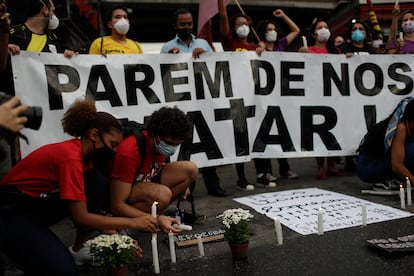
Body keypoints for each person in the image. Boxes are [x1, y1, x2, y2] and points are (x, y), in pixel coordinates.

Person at [0, 99, 164, 275]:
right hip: (9, 210)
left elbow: (91, 212)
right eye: (113, 144)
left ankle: (71, 248)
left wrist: (119, 238)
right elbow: (82, 218)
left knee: (96, 181)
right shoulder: (70, 158)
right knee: (64, 271)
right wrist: (134, 222)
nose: (115, 151)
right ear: (94, 135)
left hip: (34, 205)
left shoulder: (86, 161)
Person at [161, 8, 227, 197]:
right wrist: (168, 59)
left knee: (208, 143)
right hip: (182, 103)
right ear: (175, 25)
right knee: (187, 146)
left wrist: (206, 55)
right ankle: (189, 185)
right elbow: (162, 74)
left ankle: (213, 185)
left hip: (204, 101)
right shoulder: (167, 47)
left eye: (189, 24)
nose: (187, 27)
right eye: (183, 24)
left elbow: (217, 66)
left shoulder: (203, 43)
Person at [110, 106, 198, 231]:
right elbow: (116, 205)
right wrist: (157, 218)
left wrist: (185, 185)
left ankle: (149, 217)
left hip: (144, 182)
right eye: (169, 143)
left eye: (177, 144)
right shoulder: (129, 151)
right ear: (155, 136)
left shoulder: (160, 144)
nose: (172, 148)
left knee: (190, 170)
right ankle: (128, 222)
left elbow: (163, 167)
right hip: (121, 191)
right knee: (163, 194)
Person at [253, 10, 300, 183]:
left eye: (274, 28)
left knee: (280, 131)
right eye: (268, 29)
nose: (272, 31)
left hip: (280, 97)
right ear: (263, 32)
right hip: (262, 98)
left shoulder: (280, 44)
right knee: (264, 132)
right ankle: (264, 171)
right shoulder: (257, 47)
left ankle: (284, 167)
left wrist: (283, 16)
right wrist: (258, 51)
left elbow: (296, 31)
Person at [299, 20, 346, 180]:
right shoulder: (308, 50)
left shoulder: (336, 52)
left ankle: (331, 165)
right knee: (319, 131)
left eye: (326, 27)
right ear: (314, 34)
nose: (324, 30)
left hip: (334, 96)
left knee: (333, 130)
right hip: (315, 95)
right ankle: (320, 167)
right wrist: (300, 55)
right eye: (320, 28)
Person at [356, 97, 414, 190]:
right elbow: (397, 166)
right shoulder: (401, 128)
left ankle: (399, 178)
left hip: (380, 162)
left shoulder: (408, 126)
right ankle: (387, 180)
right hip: (368, 167)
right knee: (411, 150)